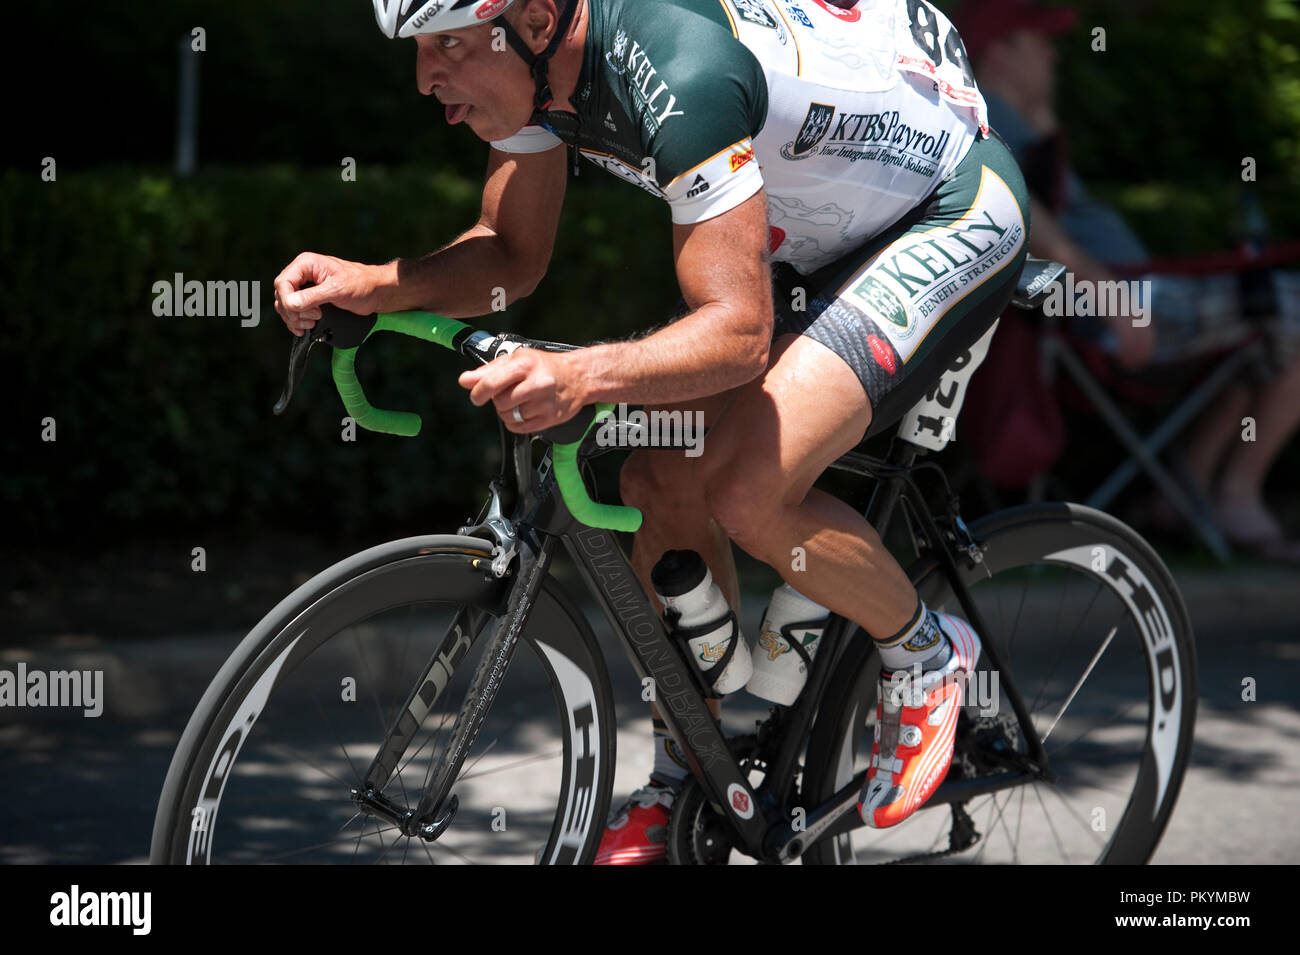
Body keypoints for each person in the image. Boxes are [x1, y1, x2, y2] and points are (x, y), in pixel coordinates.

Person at [274, 0, 1028, 863]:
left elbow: (738, 331)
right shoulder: (543, 77)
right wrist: (374, 283)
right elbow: (509, 253)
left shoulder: (681, 75)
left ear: (537, 16)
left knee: (747, 486)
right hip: (821, 229)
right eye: (418, 50)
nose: (426, 78)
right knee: (657, 481)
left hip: (944, 205)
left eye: (448, 45)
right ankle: (692, 776)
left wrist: (582, 373)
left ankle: (928, 654)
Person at [954, 0, 1300, 560]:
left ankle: (1192, 489)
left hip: (1138, 296)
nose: (1054, 55)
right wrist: (1108, 298)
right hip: (1130, 305)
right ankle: (1233, 494)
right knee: (1288, 315)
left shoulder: (1012, 120)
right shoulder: (984, 118)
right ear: (1000, 49)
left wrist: (1043, 120)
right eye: (1040, 42)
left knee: (1269, 337)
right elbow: (1018, 214)